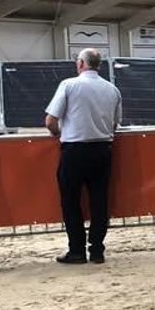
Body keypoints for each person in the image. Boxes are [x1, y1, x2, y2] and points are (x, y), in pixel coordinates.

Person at [45, 49, 122, 265]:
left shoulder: (69, 85)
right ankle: (97, 249)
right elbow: (115, 124)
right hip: (103, 150)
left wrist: (57, 133)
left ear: (80, 64)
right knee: (99, 201)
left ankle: (77, 250)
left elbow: (51, 120)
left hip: (74, 150)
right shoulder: (112, 89)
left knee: (70, 201)